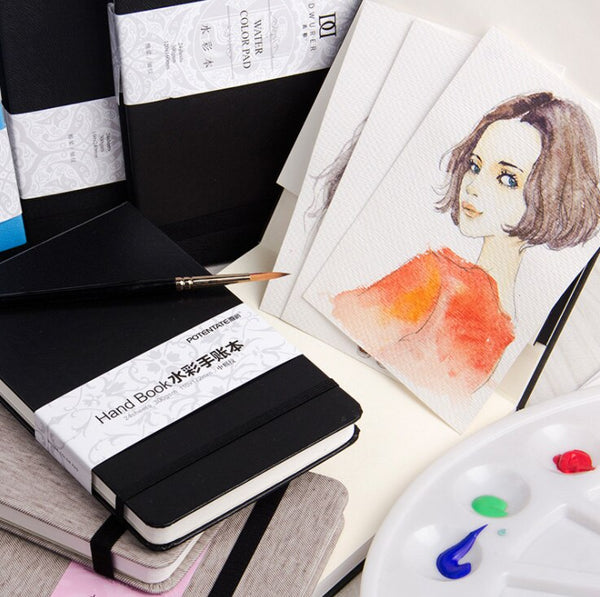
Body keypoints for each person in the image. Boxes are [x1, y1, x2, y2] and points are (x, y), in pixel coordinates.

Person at [332, 92, 600, 400]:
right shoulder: (498, 318)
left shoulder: (442, 279)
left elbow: (338, 315)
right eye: (475, 166)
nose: (473, 186)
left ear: (551, 197)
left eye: (507, 179)